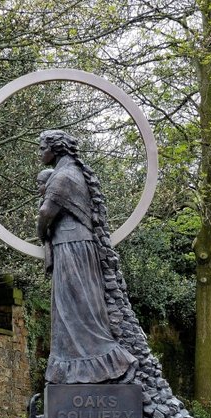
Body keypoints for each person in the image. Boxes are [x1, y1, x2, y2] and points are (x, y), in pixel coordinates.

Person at [37, 130, 137, 384]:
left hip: (72, 246)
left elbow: (47, 212)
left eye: (42, 147)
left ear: (55, 149)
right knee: (75, 307)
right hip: (74, 244)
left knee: (77, 307)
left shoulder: (64, 176)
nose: (40, 153)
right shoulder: (72, 172)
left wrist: (41, 232)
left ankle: (107, 361)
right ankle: (76, 368)